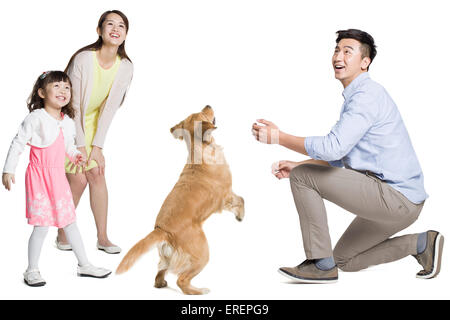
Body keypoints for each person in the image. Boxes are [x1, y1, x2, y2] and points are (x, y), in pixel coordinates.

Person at [252, 29, 444, 283]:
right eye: (336, 50)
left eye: (347, 51)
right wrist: (299, 164)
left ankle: (320, 264)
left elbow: (333, 148)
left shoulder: (366, 96)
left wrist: (279, 138)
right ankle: (421, 244)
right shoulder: (359, 98)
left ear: (365, 62)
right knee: (344, 260)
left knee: (303, 177)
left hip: (394, 197)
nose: (338, 56)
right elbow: (338, 157)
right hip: (403, 204)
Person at [2, 71, 111, 286]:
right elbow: (18, 142)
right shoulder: (36, 118)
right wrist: (8, 169)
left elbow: (69, 145)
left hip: (58, 178)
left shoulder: (68, 121)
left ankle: (84, 265)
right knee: (41, 226)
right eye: (57, 86)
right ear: (42, 93)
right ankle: (31, 270)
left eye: (67, 87)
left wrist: (76, 155)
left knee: (70, 222)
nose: (63, 91)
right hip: (39, 177)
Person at [56, 10, 134, 254]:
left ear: (125, 34)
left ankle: (103, 238)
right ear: (99, 30)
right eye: (109, 24)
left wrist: (97, 148)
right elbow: (73, 106)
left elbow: (109, 110)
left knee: (97, 172)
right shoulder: (83, 59)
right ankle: (62, 233)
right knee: (79, 178)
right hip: (65, 121)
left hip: (92, 123)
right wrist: (80, 146)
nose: (115, 28)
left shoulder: (125, 67)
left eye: (121, 25)